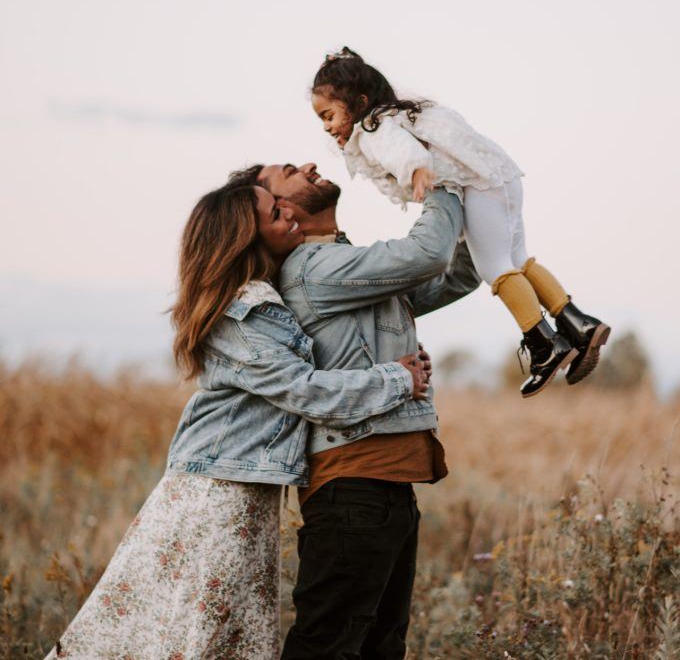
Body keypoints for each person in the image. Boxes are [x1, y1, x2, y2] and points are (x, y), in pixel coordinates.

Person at [44, 175, 430, 660]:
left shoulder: (273, 297)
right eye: (275, 212)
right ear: (244, 237)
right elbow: (303, 390)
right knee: (192, 631)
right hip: (217, 493)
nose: (290, 213)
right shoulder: (241, 312)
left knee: (218, 631)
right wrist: (395, 379)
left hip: (245, 492)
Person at [238, 160, 480, 658]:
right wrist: (440, 177)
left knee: (379, 646)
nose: (307, 165)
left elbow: (457, 273)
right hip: (352, 488)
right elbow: (428, 253)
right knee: (326, 647)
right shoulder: (314, 268)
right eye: (288, 172)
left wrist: (489, 208)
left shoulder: (344, 265)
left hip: (384, 488)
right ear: (280, 208)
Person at [309, 46, 611, 398]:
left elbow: (400, 151)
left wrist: (417, 170)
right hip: (500, 176)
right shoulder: (401, 114)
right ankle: (579, 324)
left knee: (495, 269)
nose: (327, 127)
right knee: (519, 261)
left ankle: (545, 344)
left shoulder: (374, 129)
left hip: (476, 187)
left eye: (328, 115)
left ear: (358, 103)